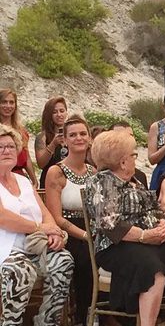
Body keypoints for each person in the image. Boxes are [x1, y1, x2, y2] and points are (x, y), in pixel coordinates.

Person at [84, 130, 165, 326]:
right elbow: (110, 224)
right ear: (122, 161)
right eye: (133, 155)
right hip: (117, 246)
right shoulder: (102, 181)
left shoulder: (134, 181)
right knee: (153, 270)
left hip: (150, 242)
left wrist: (162, 225)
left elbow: (154, 209)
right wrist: (144, 235)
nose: (135, 159)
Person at [0, 124, 74, 326]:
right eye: (0, 147)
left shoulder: (23, 180)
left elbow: (45, 213)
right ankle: (10, 322)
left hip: (35, 245)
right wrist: (41, 228)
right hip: (6, 249)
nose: (6, 150)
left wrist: (54, 234)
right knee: (20, 271)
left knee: (64, 261)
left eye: (10, 146)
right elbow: (4, 217)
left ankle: (46, 321)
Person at [43, 114, 96, 325]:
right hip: (67, 232)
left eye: (83, 134)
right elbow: (55, 217)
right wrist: (84, 235)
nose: (79, 138)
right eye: (72, 135)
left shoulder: (93, 171)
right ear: (64, 140)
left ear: (90, 138)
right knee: (85, 258)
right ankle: (81, 318)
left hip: (93, 228)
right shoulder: (56, 172)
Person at [0, 89, 37, 187]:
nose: (8, 106)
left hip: (20, 178)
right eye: (4, 102)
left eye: (11, 102)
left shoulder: (21, 131)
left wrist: (34, 179)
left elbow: (27, 157)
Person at [34, 96, 68, 188]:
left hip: (70, 180)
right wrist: (53, 144)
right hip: (49, 181)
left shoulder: (73, 134)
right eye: (54, 112)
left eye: (62, 111)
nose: (59, 114)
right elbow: (41, 164)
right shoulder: (42, 137)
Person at [109, 120, 148, 185]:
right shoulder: (98, 174)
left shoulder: (140, 177)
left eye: (130, 136)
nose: (127, 141)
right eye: (121, 137)